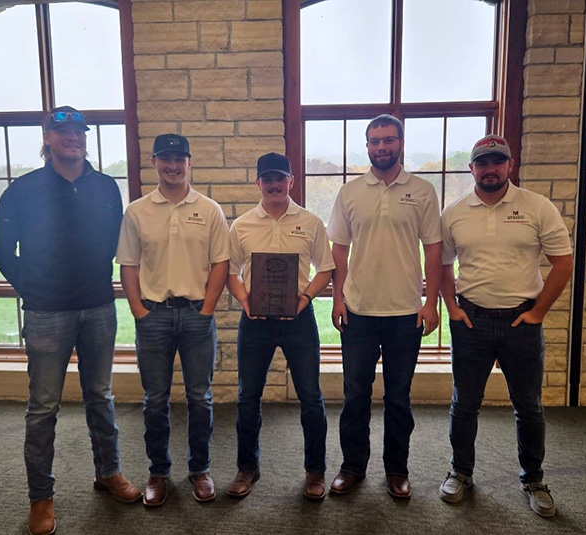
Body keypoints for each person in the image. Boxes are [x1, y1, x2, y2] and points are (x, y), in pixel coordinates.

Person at [0, 106, 141, 535]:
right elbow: (0, 249)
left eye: (79, 132)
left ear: (85, 138)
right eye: (63, 132)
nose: (72, 138)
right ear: (47, 138)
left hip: (98, 307)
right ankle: (41, 497)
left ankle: (108, 472)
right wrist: (33, 288)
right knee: (43, 408)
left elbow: (115, 244)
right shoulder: (23, 190)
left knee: (101, 396)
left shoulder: (106, 187)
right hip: (46, 312)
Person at [438, 134, 573, 517]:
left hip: (521, 322)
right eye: (482, 163)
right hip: (472, 322)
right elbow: (442, 265)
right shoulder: (454, 213)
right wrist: (451, 307)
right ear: (472, 168)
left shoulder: (537, 207)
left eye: (497, 162)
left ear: (510, 165)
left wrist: (538, 313)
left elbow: (563, 262)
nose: (490, 169)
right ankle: (460, 472)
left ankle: (534, 479)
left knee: (528, 406)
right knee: (464, 403)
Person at [326, 114, 442, 499]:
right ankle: (352, 467)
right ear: (367, 147)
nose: (381, 147)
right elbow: (339, 250)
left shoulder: (423, 191)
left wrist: (431, 302)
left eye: (388, 140)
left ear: (401, 143)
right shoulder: (350, 192)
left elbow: (434, 250)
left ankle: (397, 470)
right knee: (355, 395)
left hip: (405, 313)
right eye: (375, 141)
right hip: (358, 311)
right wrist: (338, 298)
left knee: (398, 397)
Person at [116, 134, 229, 506]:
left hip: (197, 315)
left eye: (180, 159)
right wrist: (139, 311)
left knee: (200, 398)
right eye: (165, 159)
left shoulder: (210, 210)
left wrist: (208, 309)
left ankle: (200, 469)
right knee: (155, 400)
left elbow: (221, 263)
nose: (173, 165)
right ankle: (158, 473)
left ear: (189, 163)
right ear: (154, 163)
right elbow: (128, 265)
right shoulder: (137, 211)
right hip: (154, 316)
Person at [226, 152, 334, 501]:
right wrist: (244, 299)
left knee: (311, 397)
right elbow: (231, 271)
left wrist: (305, 298)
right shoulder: (242, 225)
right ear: (258, 183)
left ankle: (315, 471)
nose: (274, 184)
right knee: (247, 397)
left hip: (299, 320)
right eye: (267, 179)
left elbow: (326, 269)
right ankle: (247, 468)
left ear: (291, 181)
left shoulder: (311, 222)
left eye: (280, 178)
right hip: (254, 322)